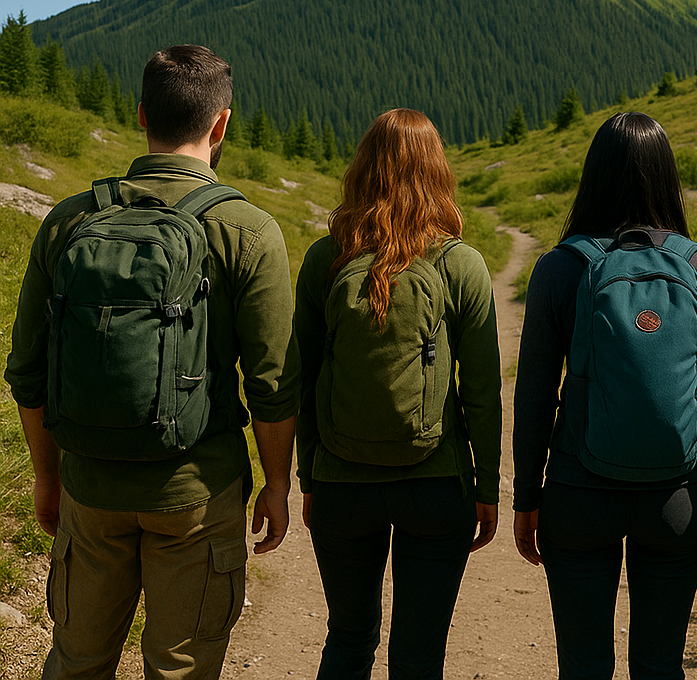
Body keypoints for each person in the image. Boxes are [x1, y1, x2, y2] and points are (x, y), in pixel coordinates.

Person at [5, 44, 299, 679]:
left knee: (77, 662)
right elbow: (273, 385)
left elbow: (27, 373)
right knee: (180, 670)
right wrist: (276, 486)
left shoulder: (68, 220)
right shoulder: (248, 231)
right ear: (221, 124)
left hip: (90, 486)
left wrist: (49, 478)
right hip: (197, 493)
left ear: (141, 115)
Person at [512, 111, 697, 680]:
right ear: (668, 177)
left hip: (576, 493)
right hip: (676, 497)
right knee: (660, 666)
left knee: (584, 667)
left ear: (594, 176)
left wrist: (526, 496)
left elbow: (535, 394)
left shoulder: (561, 269)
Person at [293, 107, 501, 679]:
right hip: (437, 487)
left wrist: (310, 478)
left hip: (341, 484)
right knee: (418, 655)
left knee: (349, 639)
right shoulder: (460, 264)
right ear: (438, 173)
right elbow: (481, 392)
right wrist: (486, 487)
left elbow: (304, 380)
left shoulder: (324, 258)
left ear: (362, 168)